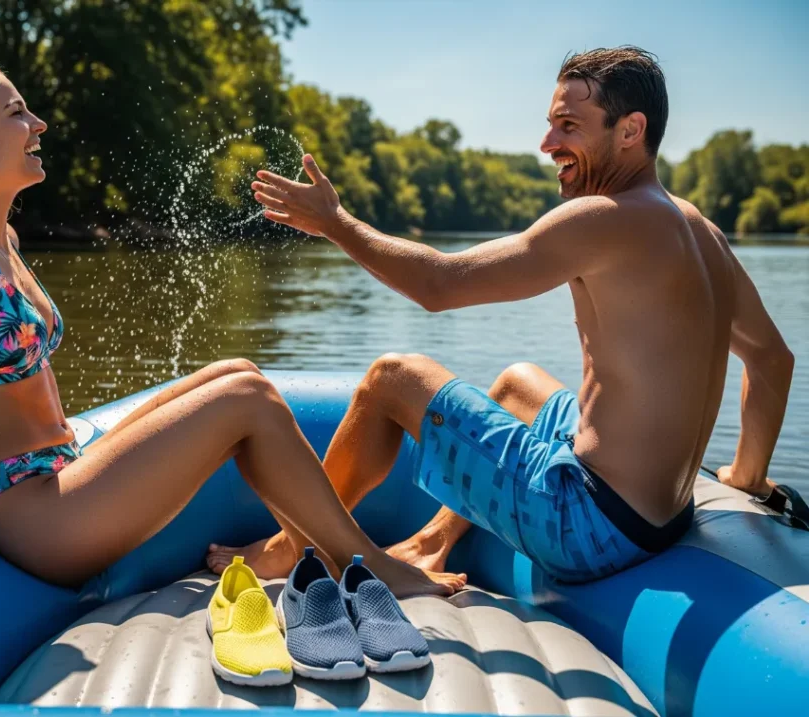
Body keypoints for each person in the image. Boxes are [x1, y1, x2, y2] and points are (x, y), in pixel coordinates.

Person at [0, 57, 467, 597]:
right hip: (35, 515)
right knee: (246, 401)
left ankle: (304, 554)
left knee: (238, 373)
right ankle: (368, 566)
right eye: (17, 112)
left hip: (61, 474)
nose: (40, 123)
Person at [208, 47, 794, 583]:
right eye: (550, 123)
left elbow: (438, 284)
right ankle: (435, 538)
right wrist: (746, 479)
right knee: (518, 384)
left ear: (631, 131)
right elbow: (772, 360)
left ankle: (295, 547)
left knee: (392, 379)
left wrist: (336, 224)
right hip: (666, 516)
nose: (546, 144)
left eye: (569, 126)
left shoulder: (603, 218)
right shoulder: (703, 231)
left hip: (588, 528)